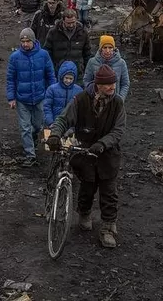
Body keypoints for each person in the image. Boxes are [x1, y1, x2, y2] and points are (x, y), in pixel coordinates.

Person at [46, 64, 126, 248]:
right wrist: (55, 134)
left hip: (108, 155)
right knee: (87, 187)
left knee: (109, 193)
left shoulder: (118, 103)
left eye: (114, 83)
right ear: (98, 85)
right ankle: (84, 212)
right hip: (85, 153)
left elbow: (119, 130)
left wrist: (103, 143)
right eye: (108, 84)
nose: (112, 87)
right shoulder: (81, 100)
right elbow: (63, 119)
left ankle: (107, 228)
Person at [7, 28, 56, 167]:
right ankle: (30, 155)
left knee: (38, 125)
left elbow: (50, 75)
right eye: (22, 41)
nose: (25, 44)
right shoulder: (15, 57)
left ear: (33, 41)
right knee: (25, 127)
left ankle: (34, 137)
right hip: (22, 98)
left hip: (40, 97)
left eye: (28, 41)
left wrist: (52, 93)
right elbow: (10, 79)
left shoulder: (43, 55)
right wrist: (11, 98)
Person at [43, 9, 92, 80]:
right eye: (68, 23)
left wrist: (86, 71)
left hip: (78, 74)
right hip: (58, 73)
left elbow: (87, 54)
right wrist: (52, 68)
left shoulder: (83, 33)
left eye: (73, 22)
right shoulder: (53, 33)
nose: (71, 25)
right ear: (63, 21)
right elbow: (47, 52)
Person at [84, 35, 130, 100]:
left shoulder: (121, 63)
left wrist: (120, 99)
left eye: (110, 47)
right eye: (105, 47)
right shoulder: (92, 62)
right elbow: (87, 81)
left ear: (113, 48)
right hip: (96, 100)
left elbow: (125, 84)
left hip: (115, 101)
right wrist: (92, 94)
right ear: (100, 48)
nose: (107, 50)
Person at [43, 61, 83, 127]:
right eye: (66, 78)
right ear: (61, 76)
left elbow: (81, 109)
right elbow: (47, 107)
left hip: (72, 125)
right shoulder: (52, 89)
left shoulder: (79, 90)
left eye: (71, 78)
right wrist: (50, 122)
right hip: (55, 124)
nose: (68, 81)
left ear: (74, 79)